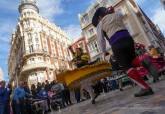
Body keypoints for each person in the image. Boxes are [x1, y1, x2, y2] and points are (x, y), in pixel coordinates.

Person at [92, 6, 154, 97]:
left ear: (99, 17)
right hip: (128, 39)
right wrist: (113, 11)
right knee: (133, 61)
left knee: (127, 67)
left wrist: (104, 51)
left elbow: (101, 40)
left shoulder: (100, 23)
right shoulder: (116, 14)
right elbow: (121, 13)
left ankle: (145, 88)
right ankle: (143, 59)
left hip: (117, 43)